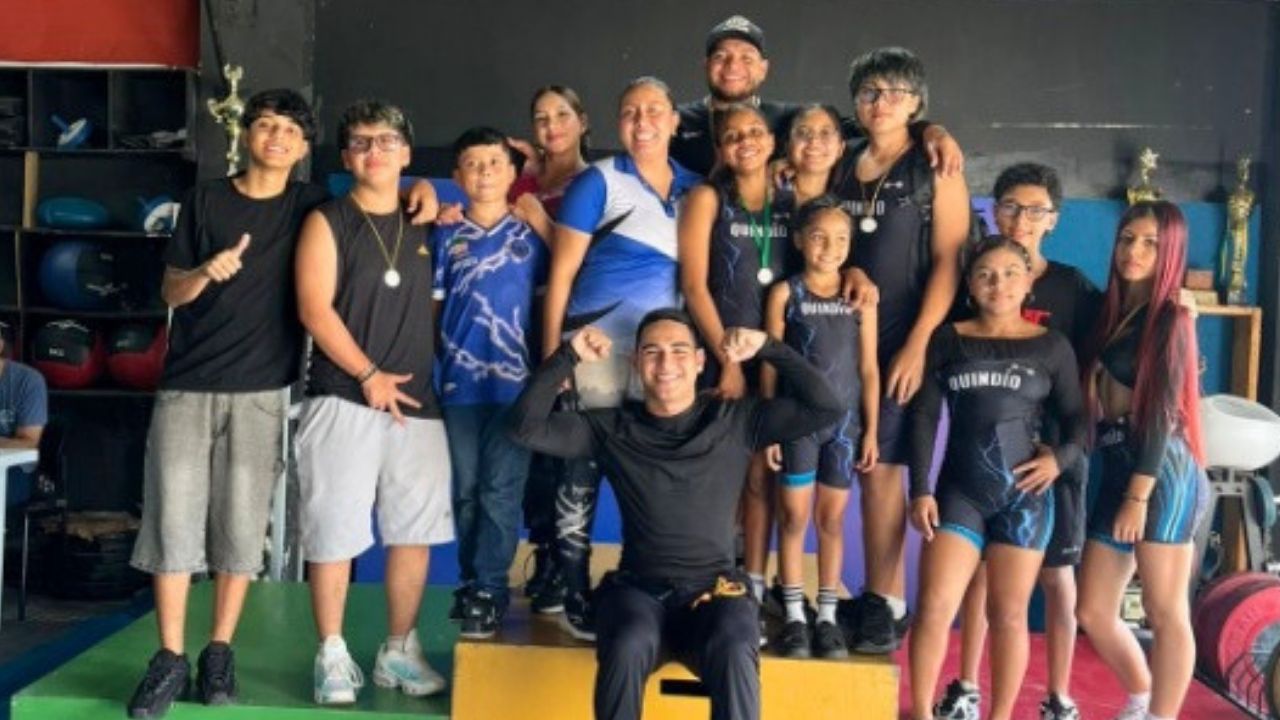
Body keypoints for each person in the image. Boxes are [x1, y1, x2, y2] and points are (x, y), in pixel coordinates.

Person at [509, 310, 844, 720]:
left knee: (737, 642)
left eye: (679, 351)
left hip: (716, 595)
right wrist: (567, 355)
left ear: (701, 361)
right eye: (652, 352)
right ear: (635, 363)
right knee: (628, 641)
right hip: (638, 595)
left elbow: (827, 407)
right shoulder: (611, 428)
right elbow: (524, 428)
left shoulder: (738, 420)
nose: (666, 364)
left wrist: (769, 348)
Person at [125, 89, 327, 719]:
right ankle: (168, 657)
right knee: (172, 522)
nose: (275, 137)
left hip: (263, 391)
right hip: (187, 385)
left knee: (242, 531)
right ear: (246, 135)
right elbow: (170, 289)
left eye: (288, 130)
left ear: (301, 147)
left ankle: (218, 650)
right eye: (264, 126)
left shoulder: (311, 205)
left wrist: (427, 198)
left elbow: (376, 211)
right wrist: (204, 272)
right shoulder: (205, 199)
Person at [295, 100, 451, 705]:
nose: (374, 151)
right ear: (345, 156)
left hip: (418, 404)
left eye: (387, 141)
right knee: (334, 531)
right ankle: (331, 653)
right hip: (343, 398)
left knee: (413, 533)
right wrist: (367, 374)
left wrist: (433, 198)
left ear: (407, 153)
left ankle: (397, 651)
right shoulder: (326, 220)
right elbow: (314, 308)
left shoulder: (425, 220)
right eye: (360, 142)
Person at [934, 164, 1100, 720]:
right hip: (984, 462)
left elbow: (1106, 349)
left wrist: (1064, 453)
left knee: (1055, 578)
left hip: (1050, 461)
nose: (1021, 219)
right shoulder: (977, 277)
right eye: (1009, 207)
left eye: (1035, 211)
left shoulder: (1073, 288)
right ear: (993, 212)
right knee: (980, 577)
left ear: (1052, 220)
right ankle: (965, 687)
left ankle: (1059, 696)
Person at [541, 76, 700, 641]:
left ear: (675, 121)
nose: (643, 121)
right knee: (579, 474)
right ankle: (574, 591)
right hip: (598, 352)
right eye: (630, 112)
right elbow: (560, 275)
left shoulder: (696, 188)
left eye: (654, 110)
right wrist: (554, 357)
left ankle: (643, 586)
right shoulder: (597, 183)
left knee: (651, 480)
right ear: (617, 123)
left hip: (662, 360)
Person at [907, 237, 1086, 720]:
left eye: (1010, 273)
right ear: (969, 283)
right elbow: (922, 416)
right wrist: (919, 488)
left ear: (1029, 283)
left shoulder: (1052, 346)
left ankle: (1001, 715)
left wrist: (1060, 460)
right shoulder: (948, 339)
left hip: (1024, 497)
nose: (998, 283)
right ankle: (922, 712)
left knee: (1007, 616)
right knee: (934, 608)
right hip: (958, 493)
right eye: (985, 273)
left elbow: (1078, 421)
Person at [830, 47, 971, 654]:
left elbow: (949, 261)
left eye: (894, 92)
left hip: (902, 335)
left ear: (917, 104)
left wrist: (917, 343)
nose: (879, 102)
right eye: (868, 91)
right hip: (838, 332)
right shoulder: (840, 158)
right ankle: (842, 596)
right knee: (841, 464)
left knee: (882, 472)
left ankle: (885, 599)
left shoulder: (934, 164)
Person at [1076, 201, 1208, 720]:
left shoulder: (1172, 318)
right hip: (1113, 462)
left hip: (1160, 472)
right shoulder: (1108, 311)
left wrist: (1138, 495)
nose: (1134, 251)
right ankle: (1141, 696)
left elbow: (1158, 416)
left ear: (1170, 250)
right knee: (1092, 609)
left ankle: (1161, 716)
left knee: (1165, 608)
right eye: (1127, 238)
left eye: (1150, 243)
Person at [432, 126, 550, 639]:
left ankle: (490, 588)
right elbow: (432, 310)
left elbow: (555, 300)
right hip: (459, 385)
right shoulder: (444, 233)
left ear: (513, 173)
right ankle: (469, 581)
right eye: (472, 164)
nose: (483, 172)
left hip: (515, 388)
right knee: (466, 491)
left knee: (502, 491)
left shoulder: (531, 236)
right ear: (457, 177)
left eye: (494, 163)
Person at [763, 198, 879, 659]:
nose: (829, 247)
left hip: (845, 427)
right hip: (796, 425)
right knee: (792, 518)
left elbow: (869, 368)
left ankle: (827, 615)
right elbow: (770, 360)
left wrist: (870, 430)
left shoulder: (860, 299)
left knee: (830, 521)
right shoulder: (785, 294)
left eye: (840, 239)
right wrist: (770, 424)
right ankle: (794, 614)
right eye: (818, 236)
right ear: (798, 241)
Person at [671, 15, 963, 179]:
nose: (733, 66)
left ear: (763, 69)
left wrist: (931, 130)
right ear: (706, 65)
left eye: (747, 58)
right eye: (722, 57)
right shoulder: (675, 120)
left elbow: (874, 122)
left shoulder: (791, 119)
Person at [506, 85, 592, 614]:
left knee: (565, 444)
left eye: (562, 115)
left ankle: (568, 565)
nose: (551, 125)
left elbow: (592, 261)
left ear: (583, 122)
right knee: (527, 446)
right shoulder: (522, 182)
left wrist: (539, 218)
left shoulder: (598, 183)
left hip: (569, 330)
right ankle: (542, 551)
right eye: (541, 118)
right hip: (514, 328)